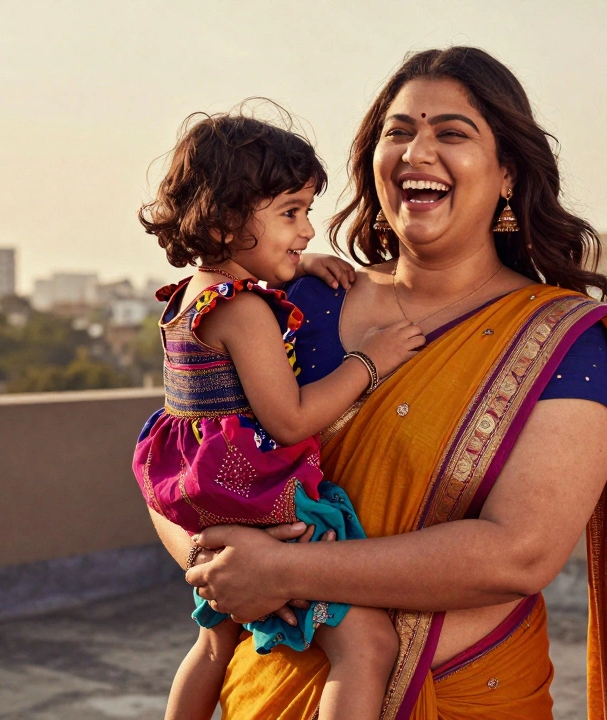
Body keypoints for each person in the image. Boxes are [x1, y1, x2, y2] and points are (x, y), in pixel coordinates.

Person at [157, 48, 607, 719]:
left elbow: (517, 553)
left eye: (451, 134)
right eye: (397, 133)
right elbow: (183, 453)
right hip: (270, 688)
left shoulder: (563, 342)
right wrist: (217, 565)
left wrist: (279, 572)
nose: (415, 152)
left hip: (468, 692)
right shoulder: (299, 301)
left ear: (507, 173)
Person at [133, 109, 425, 720]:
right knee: (366, 645)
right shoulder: (245, 312)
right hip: (255, 496)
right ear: (227, 217)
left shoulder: (193, 295)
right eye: (291, 213)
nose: (308, 228)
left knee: (214, 640)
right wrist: (370, 363)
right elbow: (291, 420)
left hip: (195, 486)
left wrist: (297, 266)